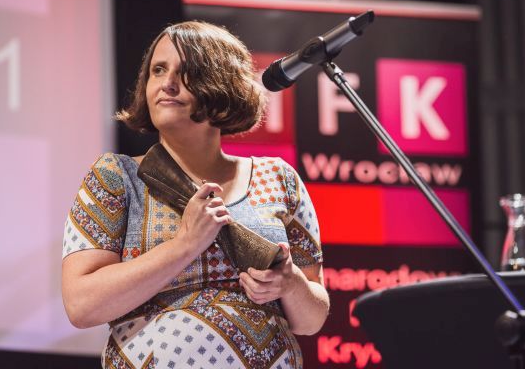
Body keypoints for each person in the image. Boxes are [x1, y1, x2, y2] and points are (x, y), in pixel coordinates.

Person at [61, 21, 329, 369]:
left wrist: (290, 285)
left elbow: (312, 319)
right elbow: (81, 305)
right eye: (158, 70)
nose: (167, 83)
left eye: (186, 72)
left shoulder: (279, 178)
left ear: (224, 83)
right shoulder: (117, 176)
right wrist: (185, 245)